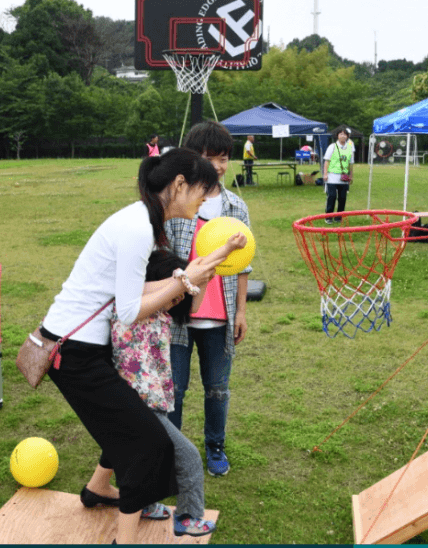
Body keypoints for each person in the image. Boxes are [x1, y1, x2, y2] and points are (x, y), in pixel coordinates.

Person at [41, 148, 222, 544]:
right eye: (201, 192)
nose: (204, 201)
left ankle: (98, 489)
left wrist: (194, 275)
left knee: (127, 425)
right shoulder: (139, 227)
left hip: (84, 346)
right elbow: (129, 311)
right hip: (72, 353)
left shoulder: (140, 220)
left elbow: (137, 289)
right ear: (178, 185)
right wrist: (185, 280)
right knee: (146, 442)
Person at [109, 241, 244, 538]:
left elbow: (193, 299)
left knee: (145, 455)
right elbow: (154, 288)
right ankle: (188, 516)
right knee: (187, 456)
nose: (178, 298)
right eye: (175, 291)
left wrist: (222, 255)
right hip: (138, 402)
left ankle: (143, 504)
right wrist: (181, 279)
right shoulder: (133, 303)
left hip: (148, 401)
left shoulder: (161, 312)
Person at [166, 120, 252, 477]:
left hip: (220, 316)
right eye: (208, 157)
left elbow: (244, 266)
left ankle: (215, 447)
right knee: (175, 391)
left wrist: (241, 312)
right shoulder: (176, 203)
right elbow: (164, 257)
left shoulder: (236, 206)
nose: (216, 165)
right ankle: (173, 452)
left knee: (218, 389)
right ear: (191, 158)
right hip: (178, 316)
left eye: (223, 158)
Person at [323, 128, 355, 224]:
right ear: (337, 136)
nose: (343, 136)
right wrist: (325, 174)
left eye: (345, 134)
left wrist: (351, 175)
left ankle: (339, 217)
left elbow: (351, 163)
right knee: (331, 196)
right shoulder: (332, 146)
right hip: (332, 176)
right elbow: (326, 161)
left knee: (342, 198)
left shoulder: (349, 147)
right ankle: (328, 217)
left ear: (347, 136)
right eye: (341, 134)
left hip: (343, 178)